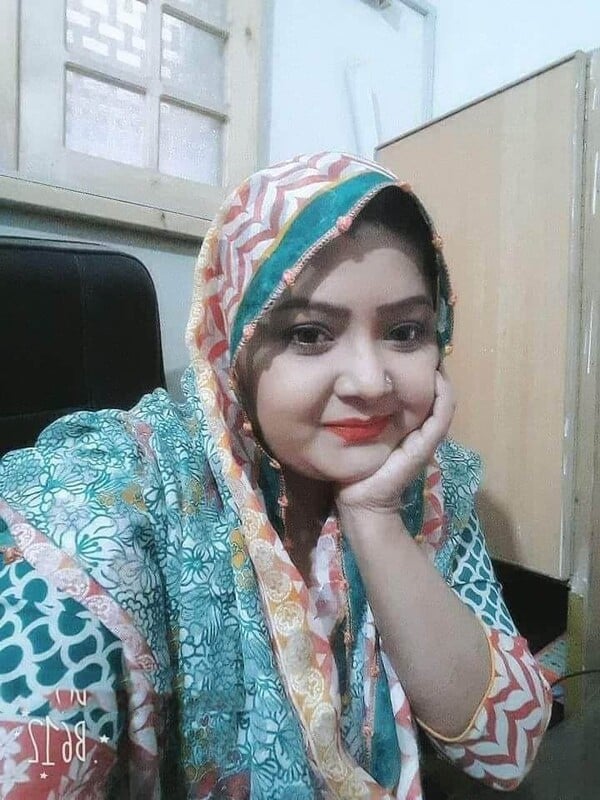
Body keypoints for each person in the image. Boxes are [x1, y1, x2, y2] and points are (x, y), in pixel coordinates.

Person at [0, 152, 551, 799]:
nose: (370, 382)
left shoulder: (431, 484)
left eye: (405, 332)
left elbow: (507, 750)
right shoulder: (113, 495)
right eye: (311, 334)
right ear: (234, 347)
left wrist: (375, 518)